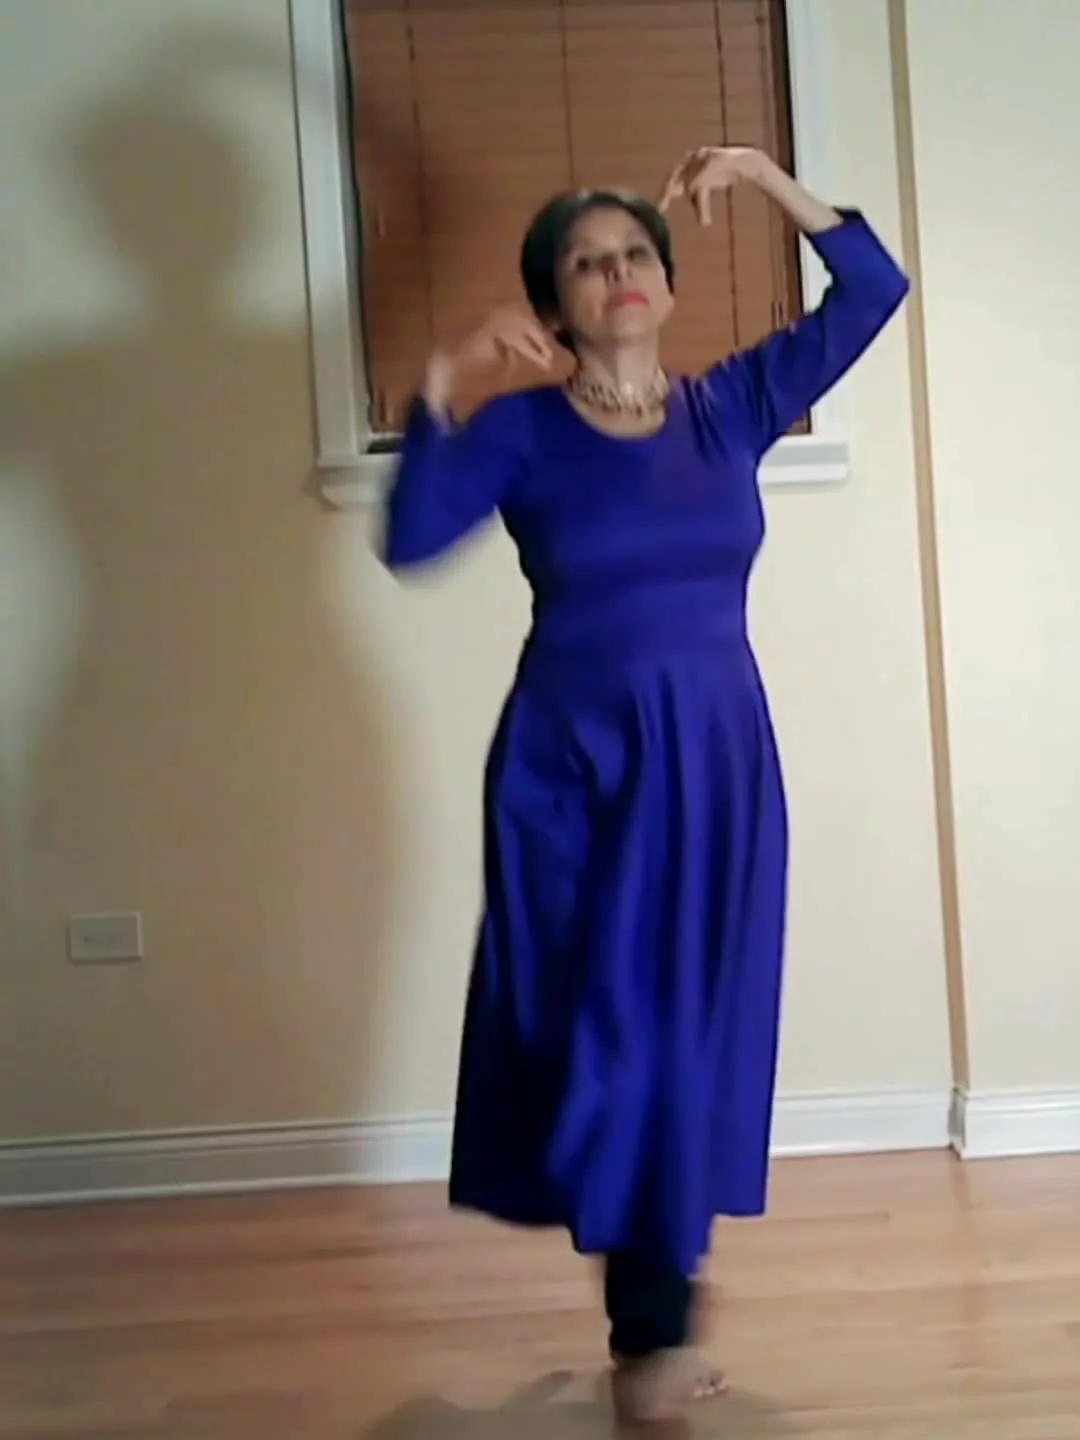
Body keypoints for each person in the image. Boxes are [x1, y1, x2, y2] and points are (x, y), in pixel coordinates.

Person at [380, 145, 909, 1423]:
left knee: (686, 1027)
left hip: (715, 763)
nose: (616, 274)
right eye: (585, 263)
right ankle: (651, 1319)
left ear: (666, 285)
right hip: (571, 771)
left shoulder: (730, 407)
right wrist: (445, 373)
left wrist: (764, 175)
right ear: (554, 305)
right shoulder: (522, 432)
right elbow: (411, 537)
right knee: (601, 1032)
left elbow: (873, 291)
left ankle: (655, 1311)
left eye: (634, 255)